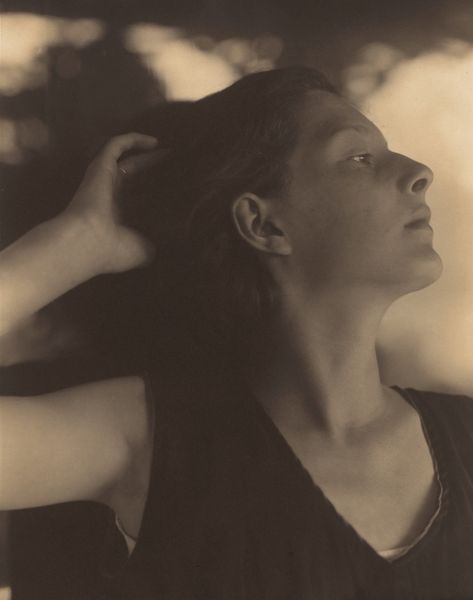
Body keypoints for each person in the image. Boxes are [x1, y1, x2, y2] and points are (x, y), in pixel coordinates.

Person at [1, 67, 472, 600]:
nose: (419, 172)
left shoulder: (466, 434)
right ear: (263, 224)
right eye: (359, 157)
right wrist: (78, 241)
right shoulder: (154, 438)